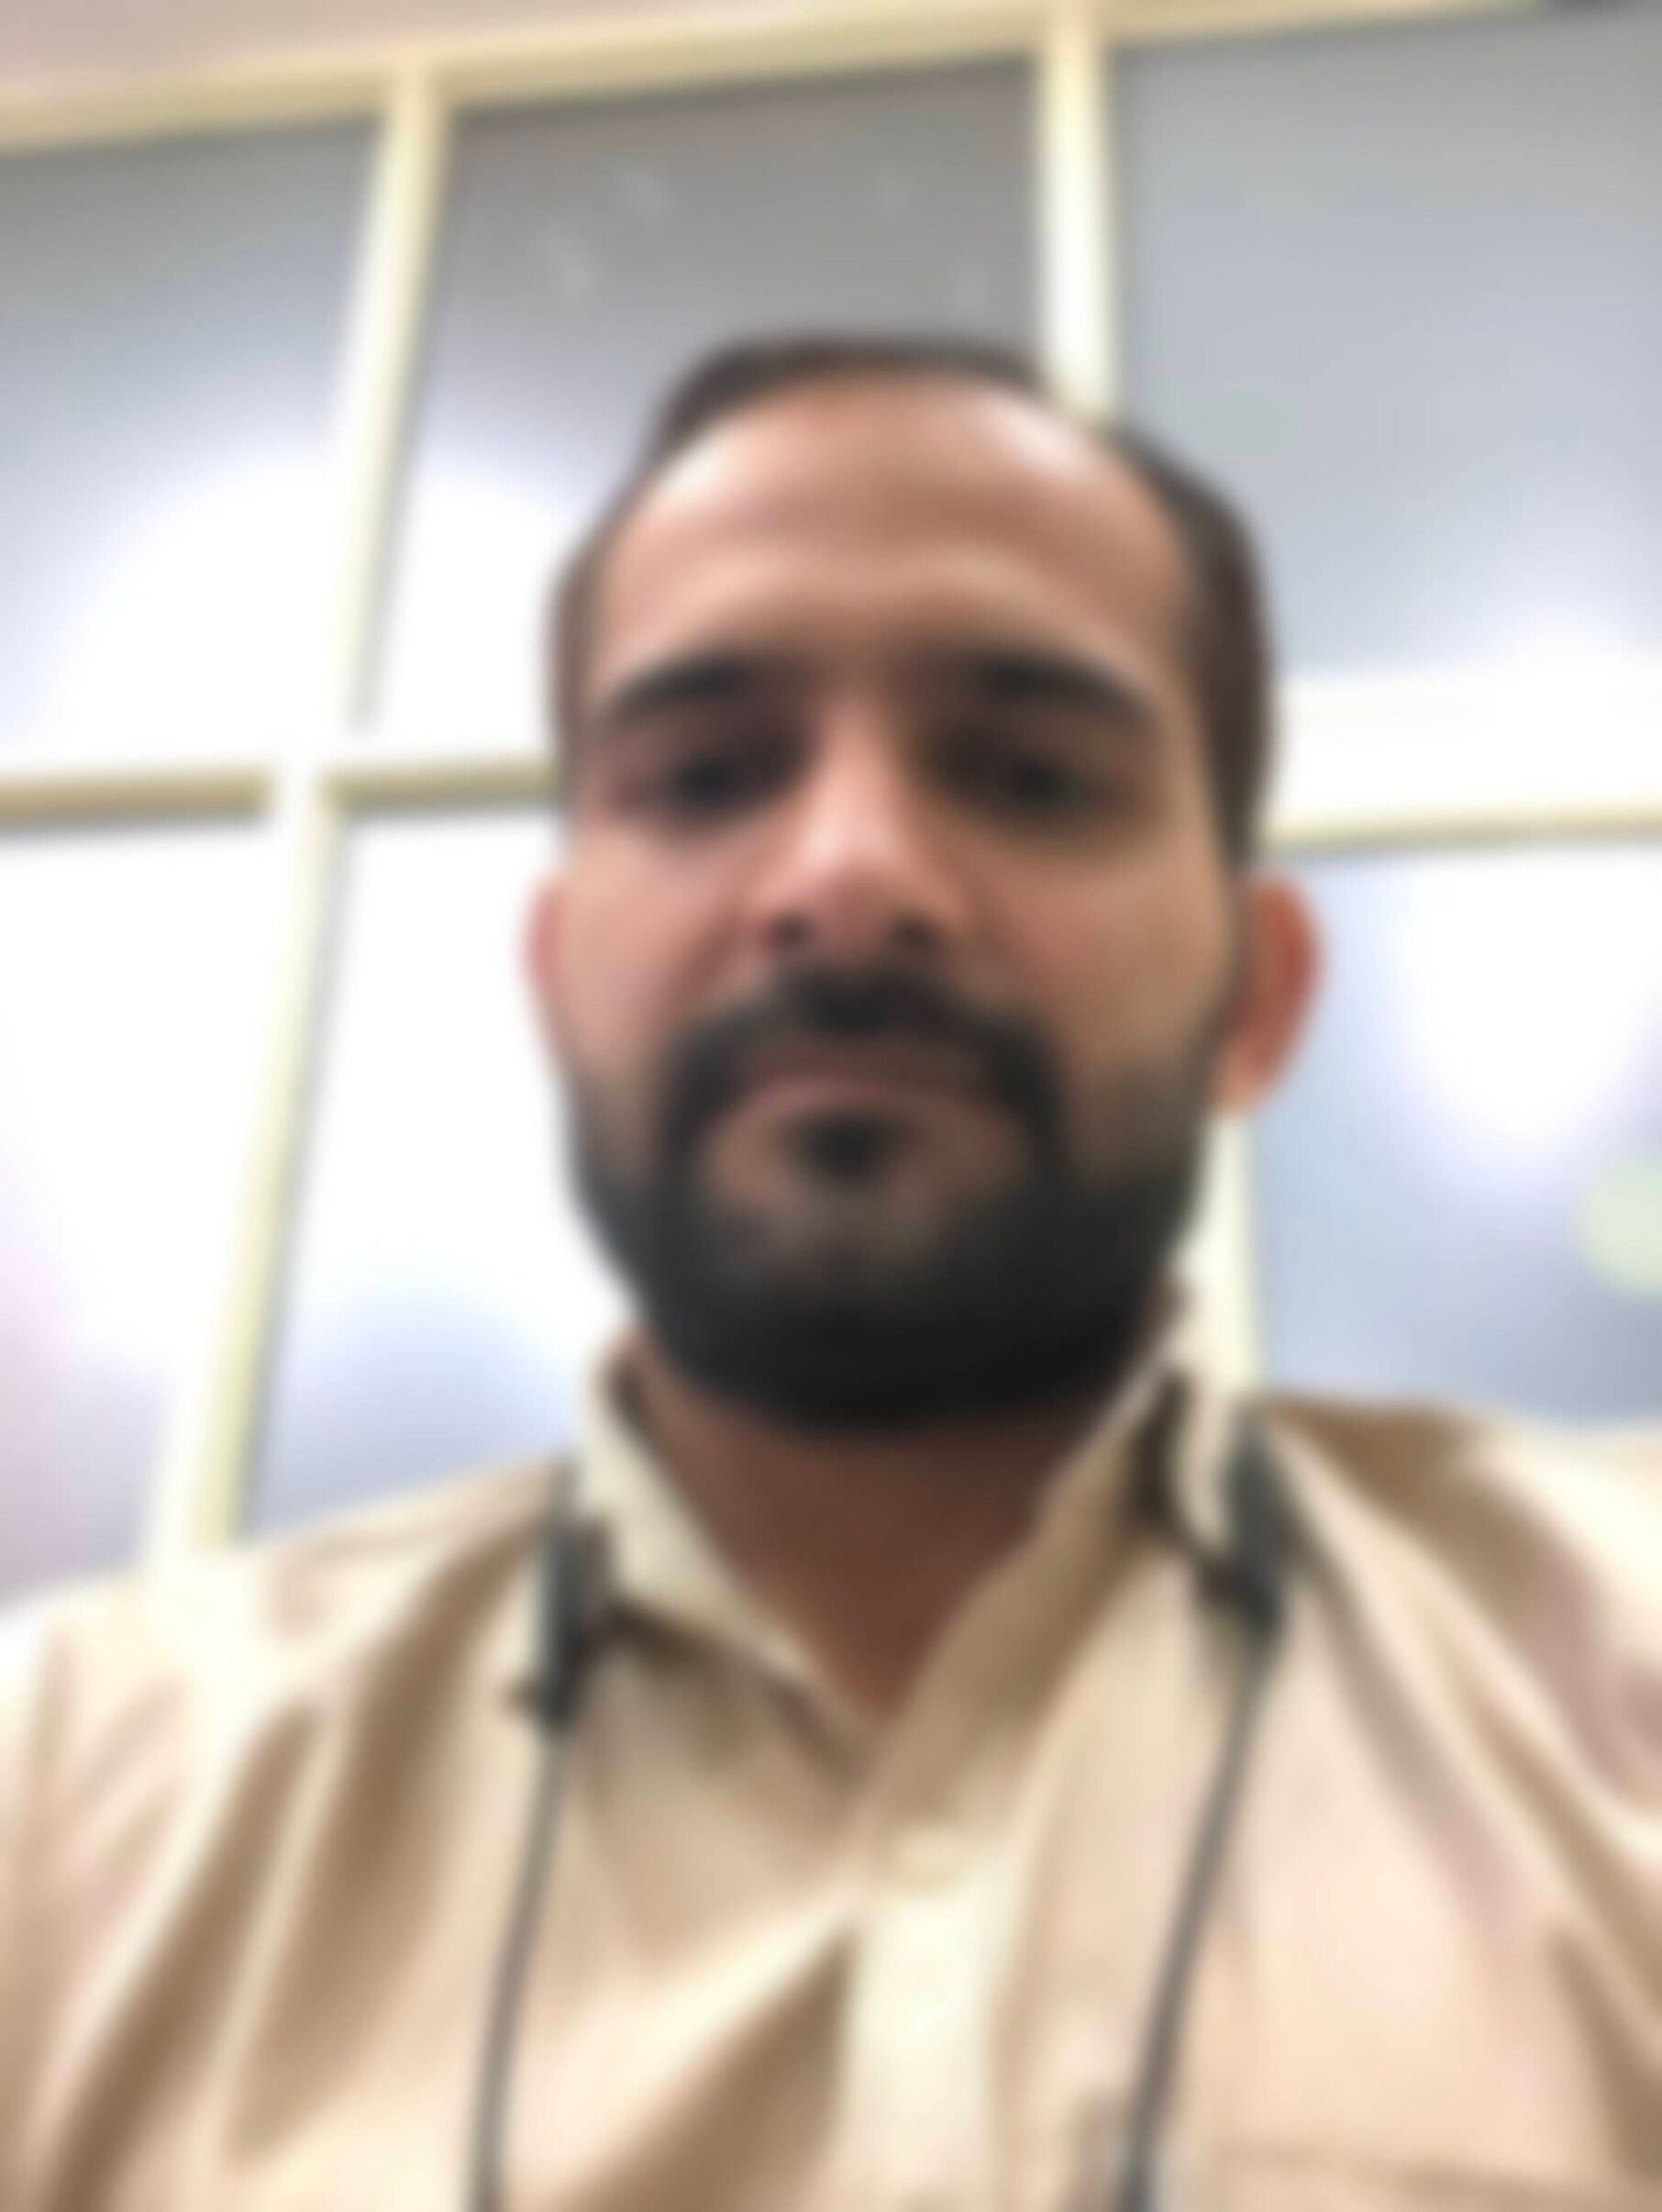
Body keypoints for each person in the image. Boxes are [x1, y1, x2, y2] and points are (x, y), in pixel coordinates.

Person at [3, 335, 1658, 2212]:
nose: (851, 875)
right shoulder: (68, 1805)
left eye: (1031, 778)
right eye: (707, 775)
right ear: (555, 985)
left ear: (1253, 1000)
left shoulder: (1623, 1674)